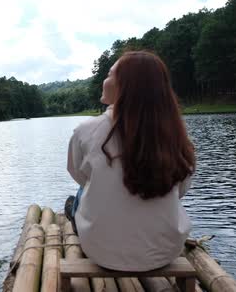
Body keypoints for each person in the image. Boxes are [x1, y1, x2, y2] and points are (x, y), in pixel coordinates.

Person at [65, 50, 195, 271]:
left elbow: (78, 175)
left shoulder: (85, 131)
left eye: (109, 75)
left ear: (126, 85)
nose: (104, 81)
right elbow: (180, 190)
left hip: (102, 252)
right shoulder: (179, 137)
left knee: (82, 191)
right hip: (165, 251)